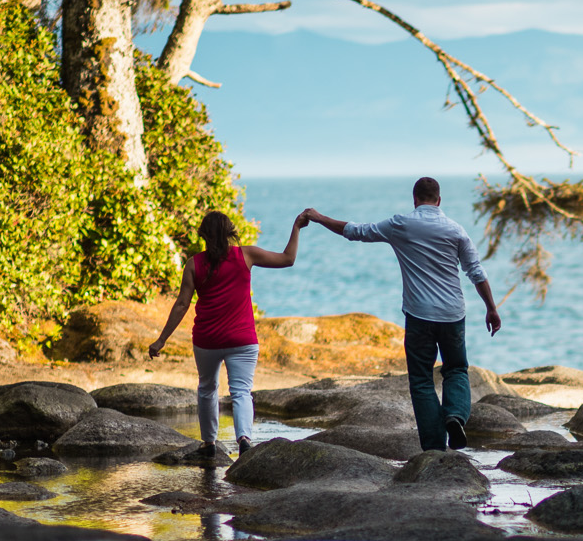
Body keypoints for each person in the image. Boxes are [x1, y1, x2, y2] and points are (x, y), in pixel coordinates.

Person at [303, 178, 502, 451]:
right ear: (439, 200)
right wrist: (491, 308)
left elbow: (355, 231)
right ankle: (455, 416)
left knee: (421, 380)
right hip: (452, 314)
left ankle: (434, 447)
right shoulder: (456, 231)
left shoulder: (401, 224)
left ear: (415, 200)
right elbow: (476, 272)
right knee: (456, 370)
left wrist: (318, 217)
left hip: (419, 315)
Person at [148, 208, 310, 462]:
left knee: (207, 388)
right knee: (241, 391)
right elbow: (288, 259)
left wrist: (161, 340)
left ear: (203, 235)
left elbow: (182, 304)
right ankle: (244, 439)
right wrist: (297, 227)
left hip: (207, 340)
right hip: (242, 340)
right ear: (230, 233)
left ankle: (209, 443)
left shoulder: (194, 264)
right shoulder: (245, 254)